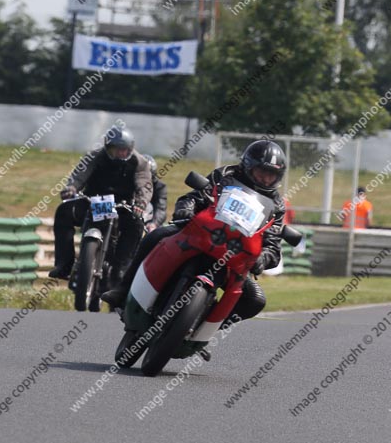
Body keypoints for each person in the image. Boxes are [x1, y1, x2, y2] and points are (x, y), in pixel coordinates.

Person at [102, 139, 287, 329]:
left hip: (233, 257)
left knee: (255, 299)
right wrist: (186, 209)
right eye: (262, 172)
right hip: (198, 234)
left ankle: (208, 327)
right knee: (155, 236)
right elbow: (196, 196)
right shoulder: (226, 175)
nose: (266, 179)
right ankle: (122, 290)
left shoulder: (277, 206)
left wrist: (262, 259)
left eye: (271, 175)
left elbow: (272, 245)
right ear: (248, 166)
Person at [49, 125, 153, 283]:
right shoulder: (95, 156)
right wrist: (71, 188)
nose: (120, 153)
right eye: (115, 149)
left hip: (122, 206)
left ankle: (121, 268)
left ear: (130, 148)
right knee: (64, 211)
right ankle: (64, 264)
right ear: (107, 147)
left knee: (137, 224)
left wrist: (141, 203)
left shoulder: (140, 162)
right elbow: (79, 174)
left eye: (124, 150)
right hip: (93, 201)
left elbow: (145, 184)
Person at [142, 154, 168, 233]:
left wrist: (154, 224)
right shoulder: (126, 183)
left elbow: (161, 209)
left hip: (148, 220)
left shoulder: (159, 187)